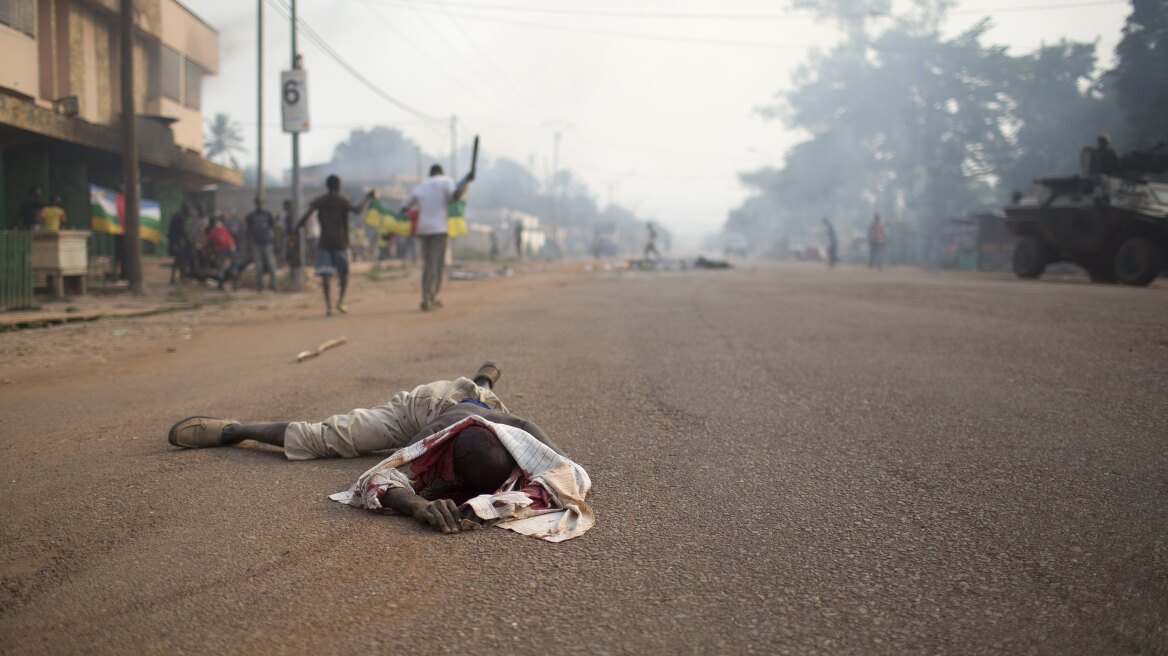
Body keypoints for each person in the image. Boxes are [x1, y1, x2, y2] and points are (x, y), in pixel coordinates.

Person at [166, 363, 593, 540]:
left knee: (480, 393)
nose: (456, 487)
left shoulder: (517, 432)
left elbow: (571, 476)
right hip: (425, 408)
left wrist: (505, 499)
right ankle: (236, 430)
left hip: (483, 409)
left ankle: (483, 379)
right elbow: (376, 479)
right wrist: (415, 506)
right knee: (328, 439)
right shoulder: (429, 441)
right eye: (457, 477)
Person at [295, 175, 371, 316]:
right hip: (341, 243)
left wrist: (294, 231)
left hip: (325, 243)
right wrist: (368, 197)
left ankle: (329, 306)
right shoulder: (342, 200)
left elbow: (305, 216)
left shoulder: (321, 201)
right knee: (345, 273)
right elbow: (358, 210)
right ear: (339, 186)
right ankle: (340, 300)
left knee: (326, 276)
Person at [401, 164, 473, 311]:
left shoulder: (421, 186)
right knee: (437, 264)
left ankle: (427, 296)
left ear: (430, 174)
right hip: (439, 229)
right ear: (441, 173)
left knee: (428, 263)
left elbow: (404, 206)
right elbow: (455, 196)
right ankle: (430, 297)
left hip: (423, 229)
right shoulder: (446, 181)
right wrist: (466, 183)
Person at [246, 197, 279, 292]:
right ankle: (259, 286)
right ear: (255, 203)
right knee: (259, 266)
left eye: (261, 203)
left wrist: (276, 241)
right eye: (258, 203)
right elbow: (248, 231)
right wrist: (248, 244)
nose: (260, 205)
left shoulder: (268, 214)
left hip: (267, 243)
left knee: (271, 264)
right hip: (256, 243)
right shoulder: (251, 216)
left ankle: (274, 284)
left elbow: (274, 228)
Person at [206, 216, 237, 291]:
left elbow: (210, 244)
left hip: (223, 249)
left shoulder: (213, 233)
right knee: (233, 265)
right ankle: (235, 281)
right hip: (231, 247)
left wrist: (212, 253)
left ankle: (221, 283)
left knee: (220, 267)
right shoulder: (223, 228)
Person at [168, 202, 193, 284]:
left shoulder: (178, 215)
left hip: (174, 240)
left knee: (177, 260)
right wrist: (187, 239)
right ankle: (183, 277)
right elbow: (182, 231)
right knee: (181, 259)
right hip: (175, 241)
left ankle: (173, 278)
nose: (190, 211)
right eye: (189, 209)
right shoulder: (180, 217)